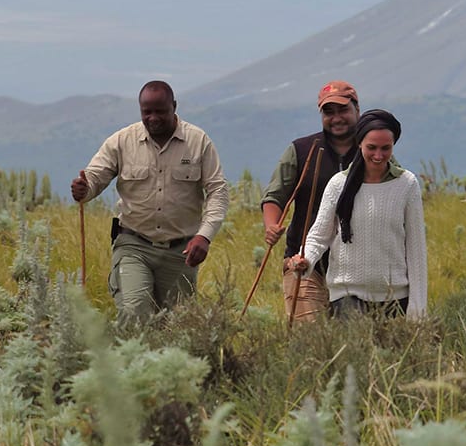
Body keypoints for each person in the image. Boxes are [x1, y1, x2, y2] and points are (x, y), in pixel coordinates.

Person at [71, 80, 229, 324]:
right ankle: (132, 361)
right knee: (135, 314)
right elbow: (94, 178)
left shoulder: (198, 141)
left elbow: (217, 191)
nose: (153, 118)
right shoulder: (122, 141)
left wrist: (204, 236)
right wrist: (84, 189)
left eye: (160, 111)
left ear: (174, 107)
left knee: (179, 327)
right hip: (134, 245)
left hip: (181, 252)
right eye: (147, 112)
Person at [258, 80, 403, 321]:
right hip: (304, 262)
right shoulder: (302, 150)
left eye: (343, 110)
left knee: (353, 341)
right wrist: (271, 226)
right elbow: (275, 196)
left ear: (357, 109)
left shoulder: (373, 151)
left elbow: (395, 193)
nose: (336, 118)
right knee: (309, 339)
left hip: (358, 268)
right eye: (329, 112)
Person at [287, 108, 426, 319]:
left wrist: (417, 309)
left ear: (393, 146)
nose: (378, 156)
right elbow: (319, 236)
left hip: (395, 298)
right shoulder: (338, 184)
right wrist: (305, 259)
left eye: (385, 148)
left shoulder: (407, 184)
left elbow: (416, 249)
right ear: (359, 143)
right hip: (346, 295)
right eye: (371, 147)